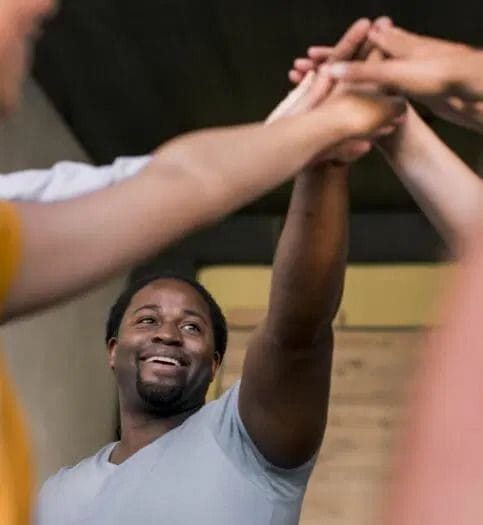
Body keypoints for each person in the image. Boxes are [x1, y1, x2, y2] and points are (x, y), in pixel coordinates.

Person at [0, 7, 405, 523]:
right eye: (147, 319)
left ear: (215, 364)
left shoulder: (246, 441)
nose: (168, 334)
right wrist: (319, 126)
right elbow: (172, 183)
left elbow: (297, 327)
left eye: (192, 327)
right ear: (112, 351)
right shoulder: (54, 494)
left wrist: (324, 152)